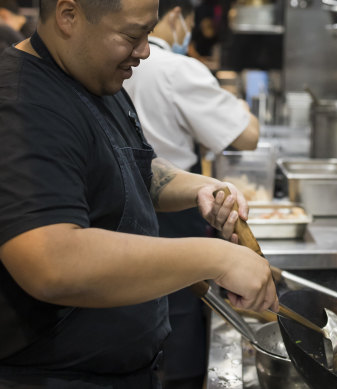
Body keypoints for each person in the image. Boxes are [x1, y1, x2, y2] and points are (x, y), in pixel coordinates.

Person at [0, 0, 278, 388]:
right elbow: (51, 262)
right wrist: (216, 257)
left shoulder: (95, 78)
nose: (146, 50)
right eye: (132, 35)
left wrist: (200, 186)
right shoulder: (21, 105)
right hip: (55, 376)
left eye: (148, 32)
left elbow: (130, 166)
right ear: (68, 16)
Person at [123, 1, 260, 388]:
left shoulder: (110, 72)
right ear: (175, 16)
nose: (142, 51)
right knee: (178, 310)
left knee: (148, 307)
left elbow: (141, 163)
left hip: (148, 205)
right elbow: (247, 136)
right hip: (170, 219)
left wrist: (205, 186)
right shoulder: (176, 69)